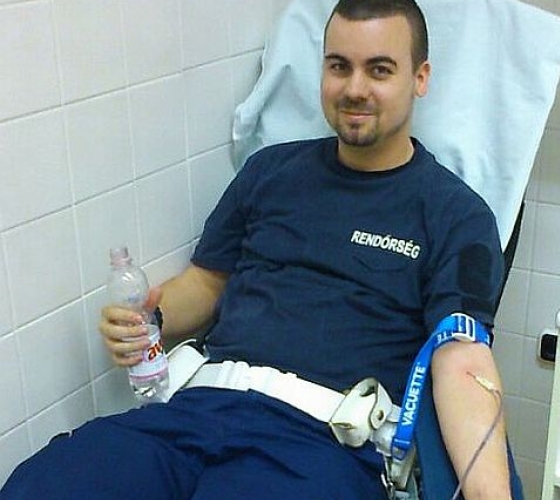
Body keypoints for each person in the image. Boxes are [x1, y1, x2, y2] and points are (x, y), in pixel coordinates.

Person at [1, 1, 512, 499]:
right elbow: (206, 283)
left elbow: (463, 360)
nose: (355, 88)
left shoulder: (454, 214)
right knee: (43, 485)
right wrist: (149, 320)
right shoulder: (270, 172)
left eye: (379, 70)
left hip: (321, 445)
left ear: (420, 78)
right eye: (339, 66)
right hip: (195, 412)